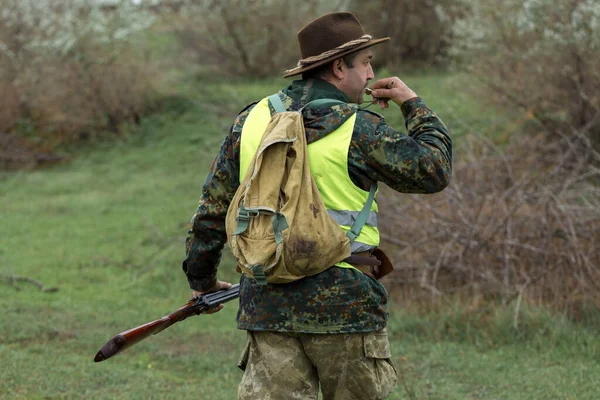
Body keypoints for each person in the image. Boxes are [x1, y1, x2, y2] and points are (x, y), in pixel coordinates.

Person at [182, 11, 452, 400]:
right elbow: (435, 170)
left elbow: (210, 212)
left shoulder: (252, 119)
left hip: (268, 306)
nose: (372, 74)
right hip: (346, 308)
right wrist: (413, 104)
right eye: (366, 64)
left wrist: (202, 282)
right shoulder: (359, 127)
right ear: (339, 68)